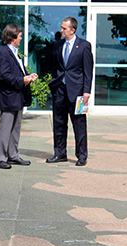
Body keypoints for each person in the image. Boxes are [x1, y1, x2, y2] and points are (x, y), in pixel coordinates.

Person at [46, 16, 93, 166]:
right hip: (60, 90)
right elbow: (56, 67)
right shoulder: (58, 45)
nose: (61, 31)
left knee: (79, 125)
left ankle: (81, 156)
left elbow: (88, 71)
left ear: (72, 30)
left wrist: (86, 91)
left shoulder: (84, 46)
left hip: (78, 92)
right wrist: (54, 84)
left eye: (64, 28)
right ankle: (60, 154)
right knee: (59, 123)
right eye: (61, 27)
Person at [0, 24, 38, 169]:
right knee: (5, 128)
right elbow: (3, 75)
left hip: (17, 96)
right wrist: (22, 80)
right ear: (12, 37)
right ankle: (0, 158)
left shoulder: (13, 52)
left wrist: (27, 77)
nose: (21, 38)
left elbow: (15, 73)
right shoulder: (2, 52)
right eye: (19, 35)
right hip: (8, 97)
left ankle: (13, 155)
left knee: (15, 128)